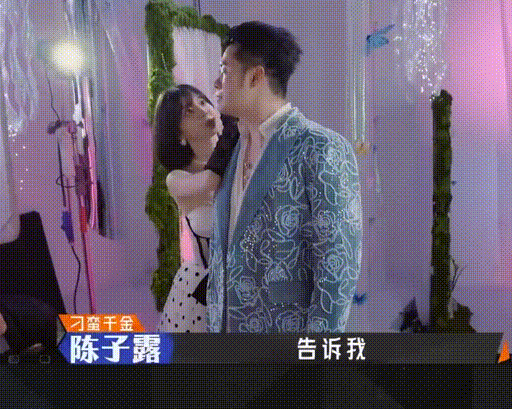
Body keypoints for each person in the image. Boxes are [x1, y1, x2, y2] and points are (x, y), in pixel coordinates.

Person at [204, 21, 362, 333]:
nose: (217, 83)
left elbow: (338, 271)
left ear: (255, 76)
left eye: (225, 70)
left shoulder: (321, 146)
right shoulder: (234, 147)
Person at [152, 84, 238, 332]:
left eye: (202, 101)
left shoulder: (241, 158)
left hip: (246, 282)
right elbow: (210, 180)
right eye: (189, 110)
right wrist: (231, 128)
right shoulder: (177, 178)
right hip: (201, 291)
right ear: (178, 133)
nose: (203, 110)